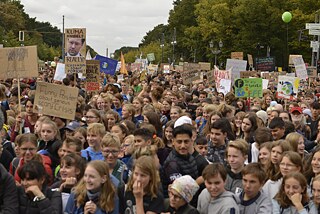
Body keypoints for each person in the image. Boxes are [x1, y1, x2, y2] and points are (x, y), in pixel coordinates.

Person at [163, 124, 198, 197]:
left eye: (186, 142)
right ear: (173, 142)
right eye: (179, 142)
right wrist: (201, 180)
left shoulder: (189, 156)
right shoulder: (172, 164)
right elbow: (180, 191)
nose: (183, 146)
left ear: (191, 141)